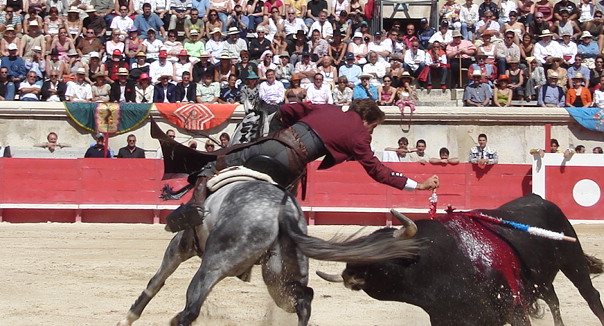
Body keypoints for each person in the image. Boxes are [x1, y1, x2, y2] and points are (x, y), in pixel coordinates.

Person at [161, 99, 440, 231]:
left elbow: (285, 110)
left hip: (276, 144)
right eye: (374, 127)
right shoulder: (360, 136)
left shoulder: (326, 108)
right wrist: (417, 185)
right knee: (285, 205)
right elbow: (377, 171)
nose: (371, 133)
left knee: (220, 159)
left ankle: (195, 205)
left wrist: (279, 134)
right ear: (367, 119)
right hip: (294, 165)